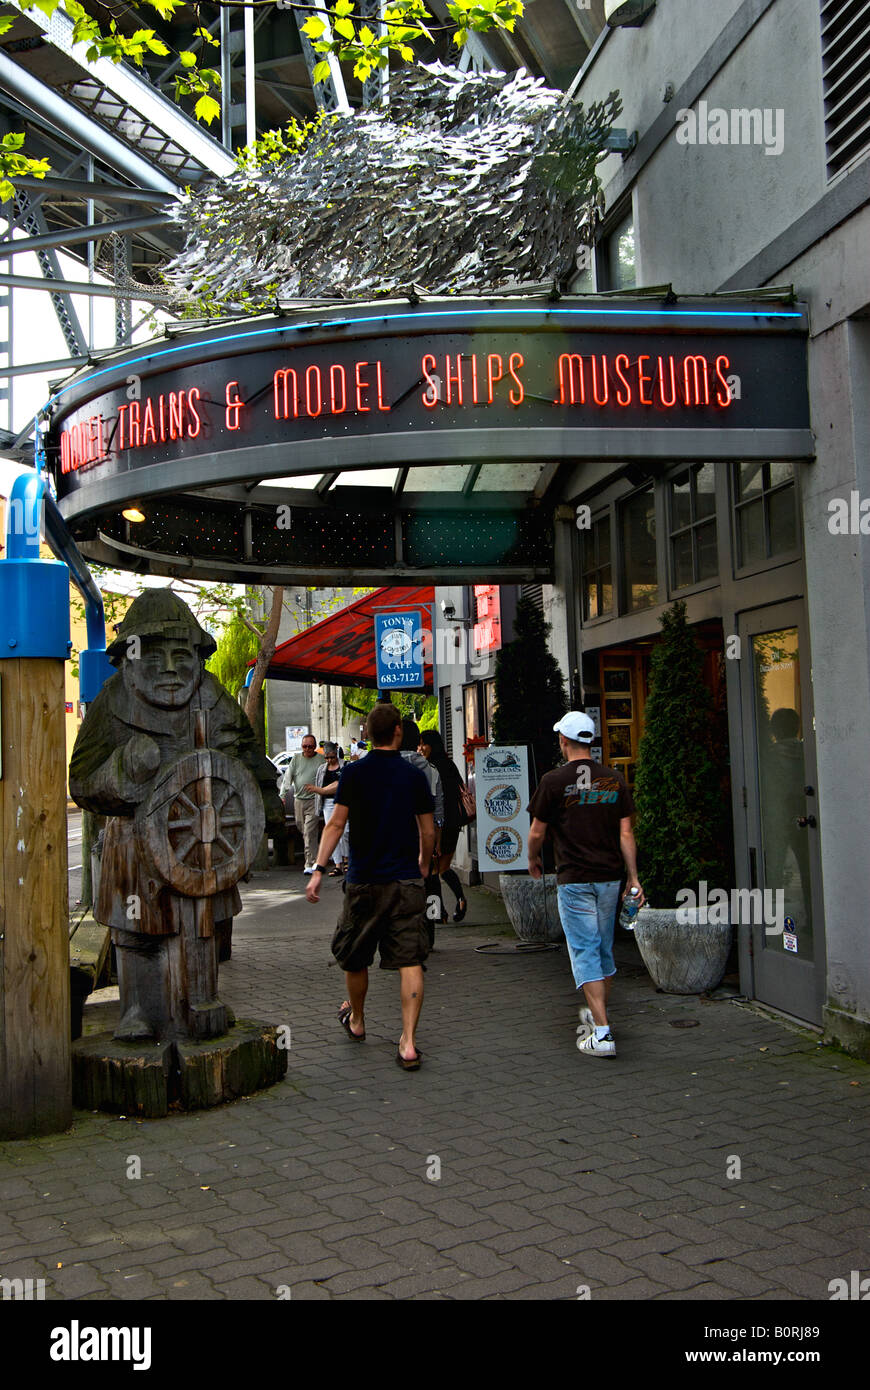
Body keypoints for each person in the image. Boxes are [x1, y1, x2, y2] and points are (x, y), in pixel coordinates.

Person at [305, 702, 435, 1070]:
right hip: (405, 881)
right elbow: (427, 829)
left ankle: (358, 1020)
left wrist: (318, 868)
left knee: (355, 954)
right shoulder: (414, 776)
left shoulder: (354, 774)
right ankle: (408, 1043)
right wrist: (424, 863)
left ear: (368, 735)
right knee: (410, 959)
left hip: (363, 880)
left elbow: (334, 825)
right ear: (397, 732)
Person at [526, 711, 644, 1059]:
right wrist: (633, 877)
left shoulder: (552, 781)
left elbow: (537, 831)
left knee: (584, 951)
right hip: (610, 879)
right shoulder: (613, 780)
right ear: (590, 742)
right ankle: (598, 1017)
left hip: (575, 879)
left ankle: (604, 1034)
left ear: (564, 741)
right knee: (602, 948)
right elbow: (626, 833)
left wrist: (532, 858)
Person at [419, 729, 469, 922]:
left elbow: (434, 802)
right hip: (454, 822)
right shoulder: (449, 764)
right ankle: (460, 899)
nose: (421, 748)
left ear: (433, 745)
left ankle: (437, 913)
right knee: (443, 867)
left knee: (433, 870)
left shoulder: (431, 768)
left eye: (424, 744)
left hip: (438, 824)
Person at [280, 734, 326, 873]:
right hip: (299, 800)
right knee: (302, 828)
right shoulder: (296, 759)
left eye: (310, 746)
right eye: (305, 746)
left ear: (315, 746)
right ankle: (317, 854)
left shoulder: (320, 760)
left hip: (314, 799)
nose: (307, 749)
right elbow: (288, 777)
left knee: (309, 831)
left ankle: (310, 863)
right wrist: (282, 794)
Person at [308, 741, 348, 876]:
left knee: (345, 832)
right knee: (331, 831)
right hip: (328, 804)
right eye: (327, 757)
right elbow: (319, 784)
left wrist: (320, 790)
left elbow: (340, 784)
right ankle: (338, 864)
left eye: (332, 757)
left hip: (343, 802)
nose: (329, 760)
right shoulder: (322, 769)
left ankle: (347, 859)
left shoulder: (345, 766)